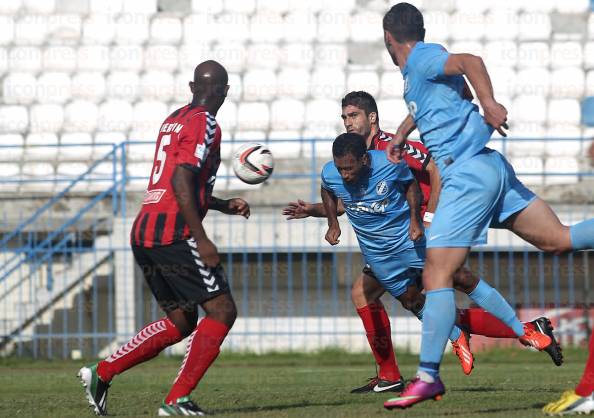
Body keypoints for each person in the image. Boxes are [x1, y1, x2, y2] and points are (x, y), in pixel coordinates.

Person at [379, 3, 594, 409]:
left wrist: (490, 103)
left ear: (388, 39)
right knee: (557, 239)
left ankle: (428, 376)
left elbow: (470, 61)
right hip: (489, 167)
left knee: (437, 273)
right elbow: (434, 104)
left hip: (465, 174)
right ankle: (434, 372)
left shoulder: (423, 58)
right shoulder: (417, 76)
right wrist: (402, 132)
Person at [284, 92, 562, 393]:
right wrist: (314, 211)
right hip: (392, 237)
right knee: (413, 299)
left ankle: (395, 373)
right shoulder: (348, 159)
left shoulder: (392, 146)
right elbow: (346, 202)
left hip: (416, 231)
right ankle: (522, 330)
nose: (348, 122)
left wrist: (428, 217)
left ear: (372, 117)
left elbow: (434, 168)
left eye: (353, 115)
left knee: (429, 286)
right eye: (344, 117)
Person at [77, 60, 250, 416]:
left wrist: (218, 205)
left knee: (182, 321)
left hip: (145, 231)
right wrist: (202, 238)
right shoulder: (206, 124)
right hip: (175, 233)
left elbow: (175, 180)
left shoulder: (174, 119)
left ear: (191, 87)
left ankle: (102, 373)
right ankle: (176, 400)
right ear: (226, 91)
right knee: (221, 309)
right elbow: (181, 181)